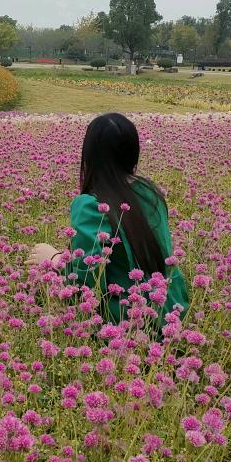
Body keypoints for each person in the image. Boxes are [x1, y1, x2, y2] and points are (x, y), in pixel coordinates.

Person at [28, 112, 189, 324]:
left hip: (126, 319)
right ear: (133, 153)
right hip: (171, 308)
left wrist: (56, 260)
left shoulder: (91, 206)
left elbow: (88, 285)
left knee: (40, 259)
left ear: (90, 156)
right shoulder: (149, 193)